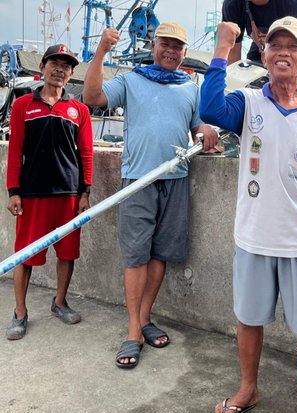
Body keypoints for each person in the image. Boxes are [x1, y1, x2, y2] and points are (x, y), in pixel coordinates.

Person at [200, 16, 297, 413]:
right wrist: (222, 46)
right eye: (275, 46)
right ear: (264, 56)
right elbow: (209, 107)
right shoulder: (248, 104)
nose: (283, 52)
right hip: (253, 238)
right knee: (248, 320)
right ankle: (248, 389)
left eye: (293, 46)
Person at [83, 22, 218, 369]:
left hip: (176, 178)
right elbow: (92, 97)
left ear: (185, 53)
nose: (171, 51)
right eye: (166, 45)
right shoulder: (131, 80)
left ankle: (144, 318)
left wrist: (205, 130)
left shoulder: (190, 87)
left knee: (160, 254)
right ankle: (132, 331)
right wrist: (101, 51)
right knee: (135, 256)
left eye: (178, 47)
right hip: (137, 180)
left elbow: (197, 125)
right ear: (153, 46)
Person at [6, 44, 93, 339]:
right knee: (24, 256)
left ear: (71, 74)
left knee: (67, 253)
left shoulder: (79, 110)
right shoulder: (22, 106)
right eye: (55, 63)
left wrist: (85, 192)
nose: (60, 69)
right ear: (42, 67)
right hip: (32, 195)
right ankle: (20, 312)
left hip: (69, 195)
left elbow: (86, 154)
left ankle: (59, 302)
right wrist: (13, 191)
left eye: (66, 66)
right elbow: (15, 150)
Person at [222, 0, 297, 98]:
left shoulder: (296, 3)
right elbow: (233, 54)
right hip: (262, 44)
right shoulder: (232, 4)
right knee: (251, 80)